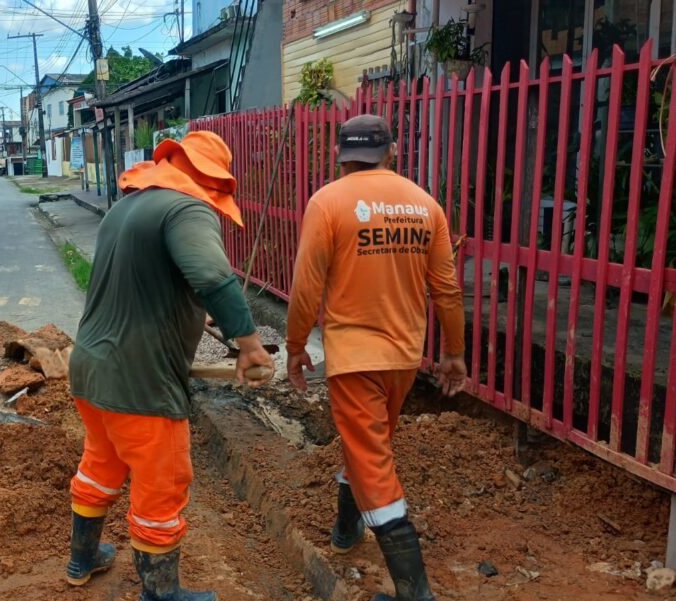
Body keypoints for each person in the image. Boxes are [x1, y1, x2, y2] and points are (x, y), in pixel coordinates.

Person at [65, 131, 275, 601]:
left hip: (90, 368)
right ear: (208, 178)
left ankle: (83, 558)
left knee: (101, 464)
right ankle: (162, 594)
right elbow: (212, 276)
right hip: (141, 381)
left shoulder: (126, 207)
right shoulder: (185, 207)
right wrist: (250, 344)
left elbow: (156, 282)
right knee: (162, 484)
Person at [285, 115, 466, 601]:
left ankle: (414, 592)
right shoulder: (426, 206)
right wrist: (453, 353)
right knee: (368, 444)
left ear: (340, 155)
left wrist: (297, 344)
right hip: (403, 357)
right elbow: (447, 291)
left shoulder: (328, 202)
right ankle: (346, 531)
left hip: (353, 358)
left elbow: (306, 287)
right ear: (392, 151)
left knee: (372, 459)